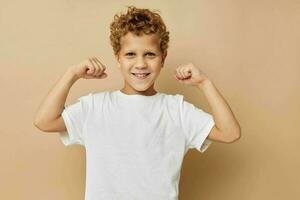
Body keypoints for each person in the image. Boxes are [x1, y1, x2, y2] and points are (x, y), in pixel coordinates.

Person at [34, 6, 241, 200]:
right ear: (118, 58)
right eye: (130, 54)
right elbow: (45, 121)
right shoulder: (95, 107)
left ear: (163, 58)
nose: (140, 64)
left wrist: (205, 83)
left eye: (150, 54)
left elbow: (230, 132)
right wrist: (71, 75)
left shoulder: (176, 110)